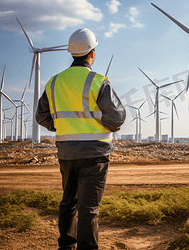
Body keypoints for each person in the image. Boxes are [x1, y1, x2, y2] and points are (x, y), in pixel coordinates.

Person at [35, 28, 126, 250]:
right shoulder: (98, 81)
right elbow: (115, 118)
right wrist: (96, 124)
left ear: (71, 53)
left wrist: (62, 126)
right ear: (92, 53)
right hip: (95, 154)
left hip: (67, 152)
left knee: (68, 202)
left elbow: (41, 116)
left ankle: (66, 246)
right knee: (89, 208)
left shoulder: (54, 82)